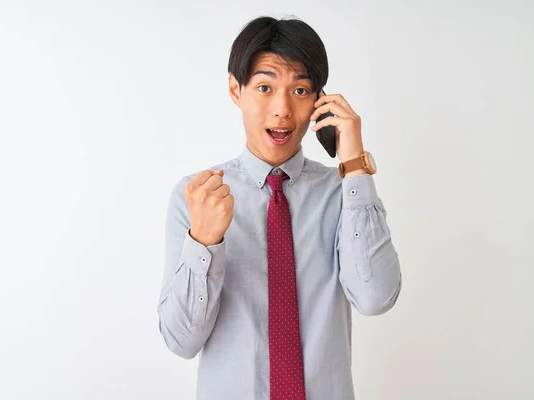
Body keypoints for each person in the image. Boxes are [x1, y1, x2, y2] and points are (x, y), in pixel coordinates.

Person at [157, 15, 402, 400]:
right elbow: (180, 341)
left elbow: (375, 298)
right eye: (265, 87)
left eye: (300, 90)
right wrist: (204, 240)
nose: (282, 109)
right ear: (235, 91)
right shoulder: (198, 196)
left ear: (320, 100)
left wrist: (354, 166)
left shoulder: (345, 194)